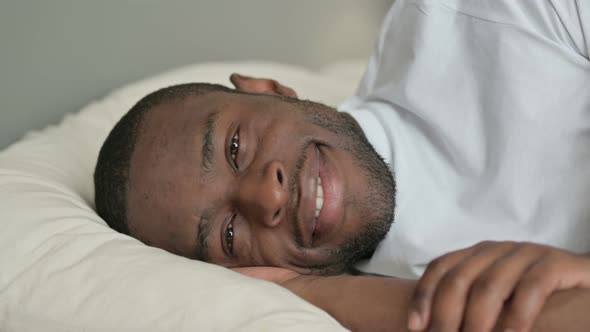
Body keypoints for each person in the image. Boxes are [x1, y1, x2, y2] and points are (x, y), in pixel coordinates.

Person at [94, 0, 590, 331]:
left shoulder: (480, 16)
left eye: (236, 147)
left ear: (269, 90)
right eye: (227, 233)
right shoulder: (348, 300)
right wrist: (302, 289)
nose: (265, 197)